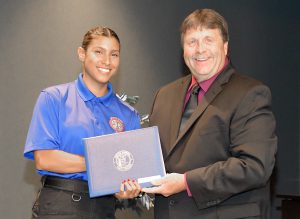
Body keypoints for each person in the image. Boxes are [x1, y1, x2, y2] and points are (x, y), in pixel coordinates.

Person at [143, 8, 277, 219]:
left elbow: (254, 167)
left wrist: (186, 182)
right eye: (192, 42)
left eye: (208, 40)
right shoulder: (164, 95)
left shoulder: (250, 94)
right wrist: (125, 180)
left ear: (225, 46)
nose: (199, 49)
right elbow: (148, 159)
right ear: (183, 50)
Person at [24, 26, 141, 219]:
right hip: (58, 206)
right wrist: (98, 162)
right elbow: (44, 158)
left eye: (114, 54)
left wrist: (124, 190)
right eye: (98, 52)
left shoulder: (128, 115)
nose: (107, 61)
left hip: (104, 209)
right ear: (81, 54)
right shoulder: (54, 98)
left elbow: (126, 174)